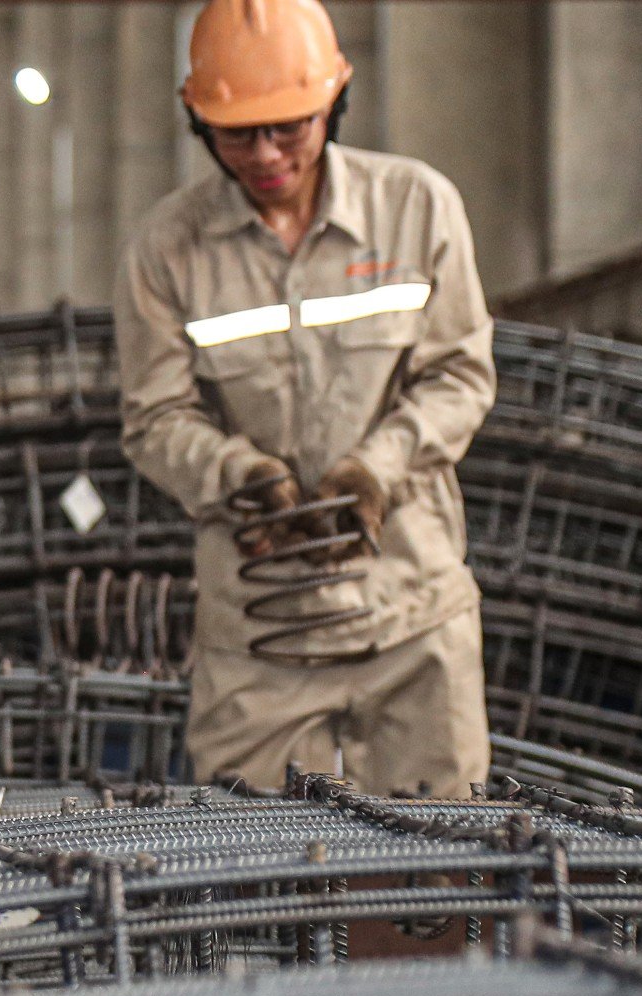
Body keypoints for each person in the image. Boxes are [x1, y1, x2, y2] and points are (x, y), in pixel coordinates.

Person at [117, 0, 495, 796]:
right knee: (253, 885)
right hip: (260, 634)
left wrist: (377, 468)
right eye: (238, 133)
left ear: (334, 101)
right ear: (197, 118)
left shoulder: (418, 209)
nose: (265, 153)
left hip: (412, 610)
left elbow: (460, 376)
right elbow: (155, 420)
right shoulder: (166, 251)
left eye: (290, 126)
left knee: (436, 885)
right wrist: (237, 475)